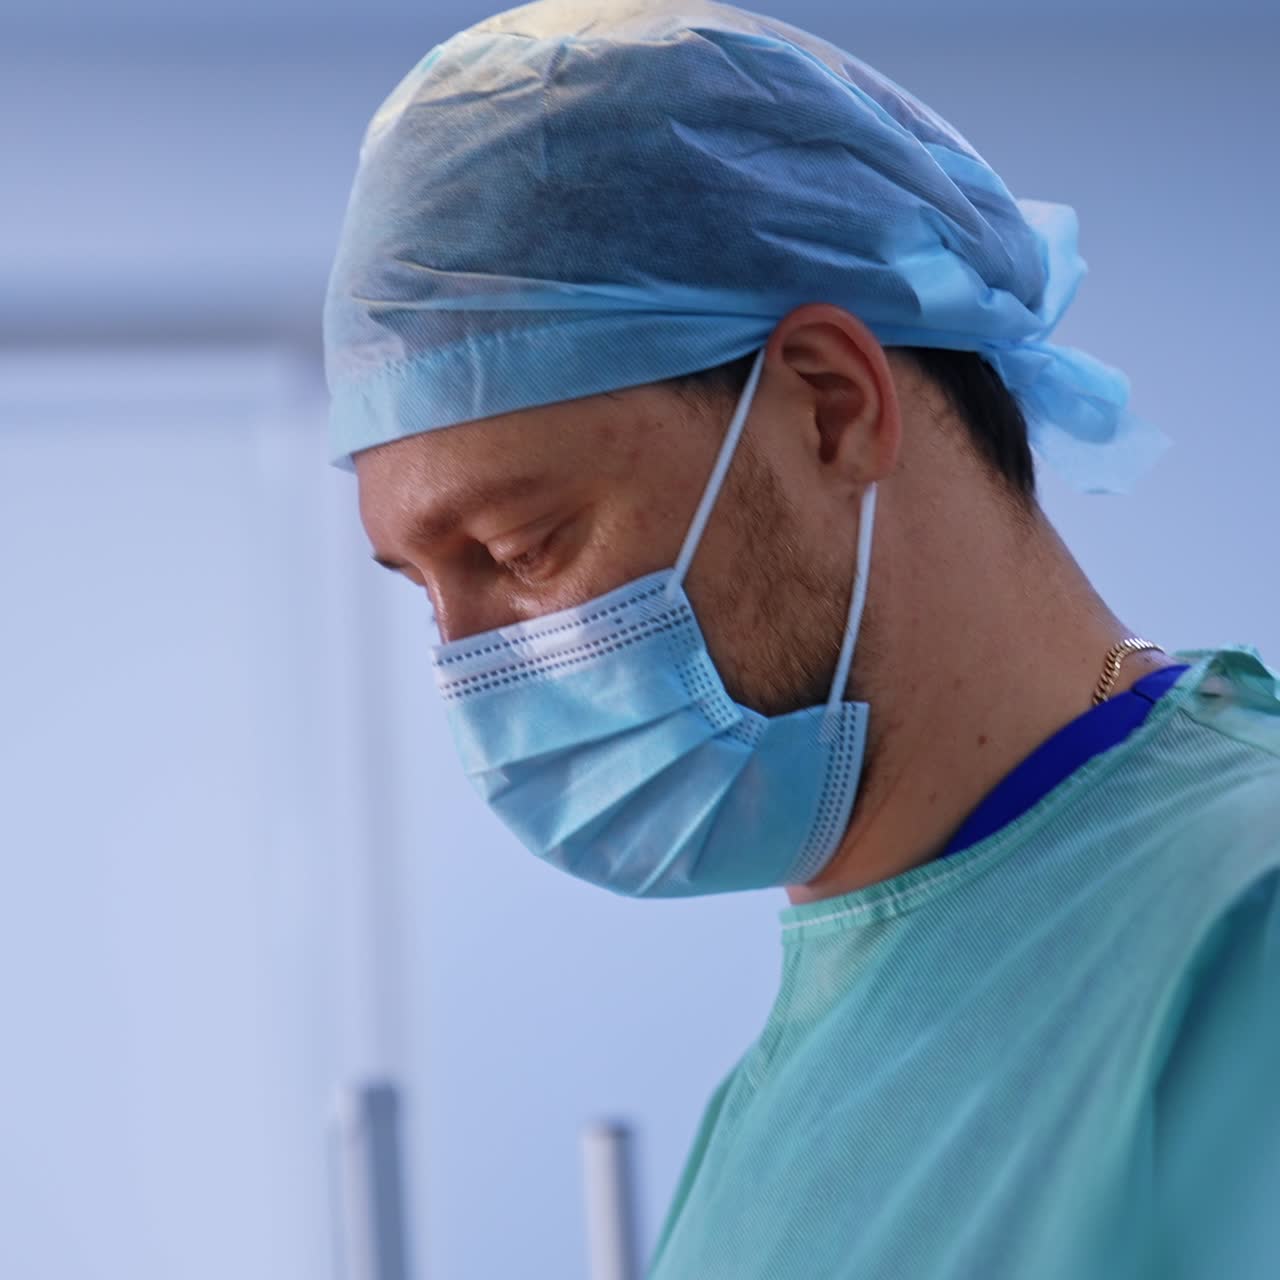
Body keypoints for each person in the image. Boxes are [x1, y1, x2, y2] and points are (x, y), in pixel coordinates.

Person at [322, 2, 1280, 1275]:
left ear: (829, 405)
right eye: (422, 589)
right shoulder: (811, 1057)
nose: (471, 661)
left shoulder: (1238, 931)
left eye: (514, 549)